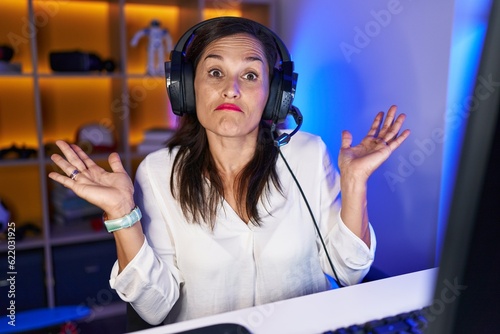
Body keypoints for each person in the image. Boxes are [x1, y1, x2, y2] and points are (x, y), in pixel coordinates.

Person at [48, 17, 410, 326]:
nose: (231, 89)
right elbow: (156, 309)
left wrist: (355, 183)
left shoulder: (307, 153)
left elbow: (350, 270)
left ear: (275, 94)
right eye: (215, 72)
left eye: (250, 74)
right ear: (187, 87)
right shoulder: (158, 173)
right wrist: (122, 217)